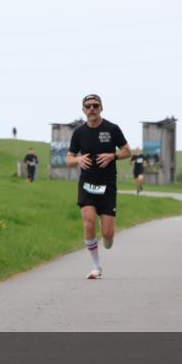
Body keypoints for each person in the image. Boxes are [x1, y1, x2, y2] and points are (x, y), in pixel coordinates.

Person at [66, 93, 130, 280]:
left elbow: (127, 151)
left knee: (108, 235)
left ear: (101, 108)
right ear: (84, 110)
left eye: (95, 105)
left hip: (107, 184)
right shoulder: (79, 133)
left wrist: (113, 156)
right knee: (88, 222)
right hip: (87, 183)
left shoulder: (112, 129)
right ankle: (96, 266)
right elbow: (68, 158)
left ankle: (107, 235)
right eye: (88, 106)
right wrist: (77, 159)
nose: (92, 109)